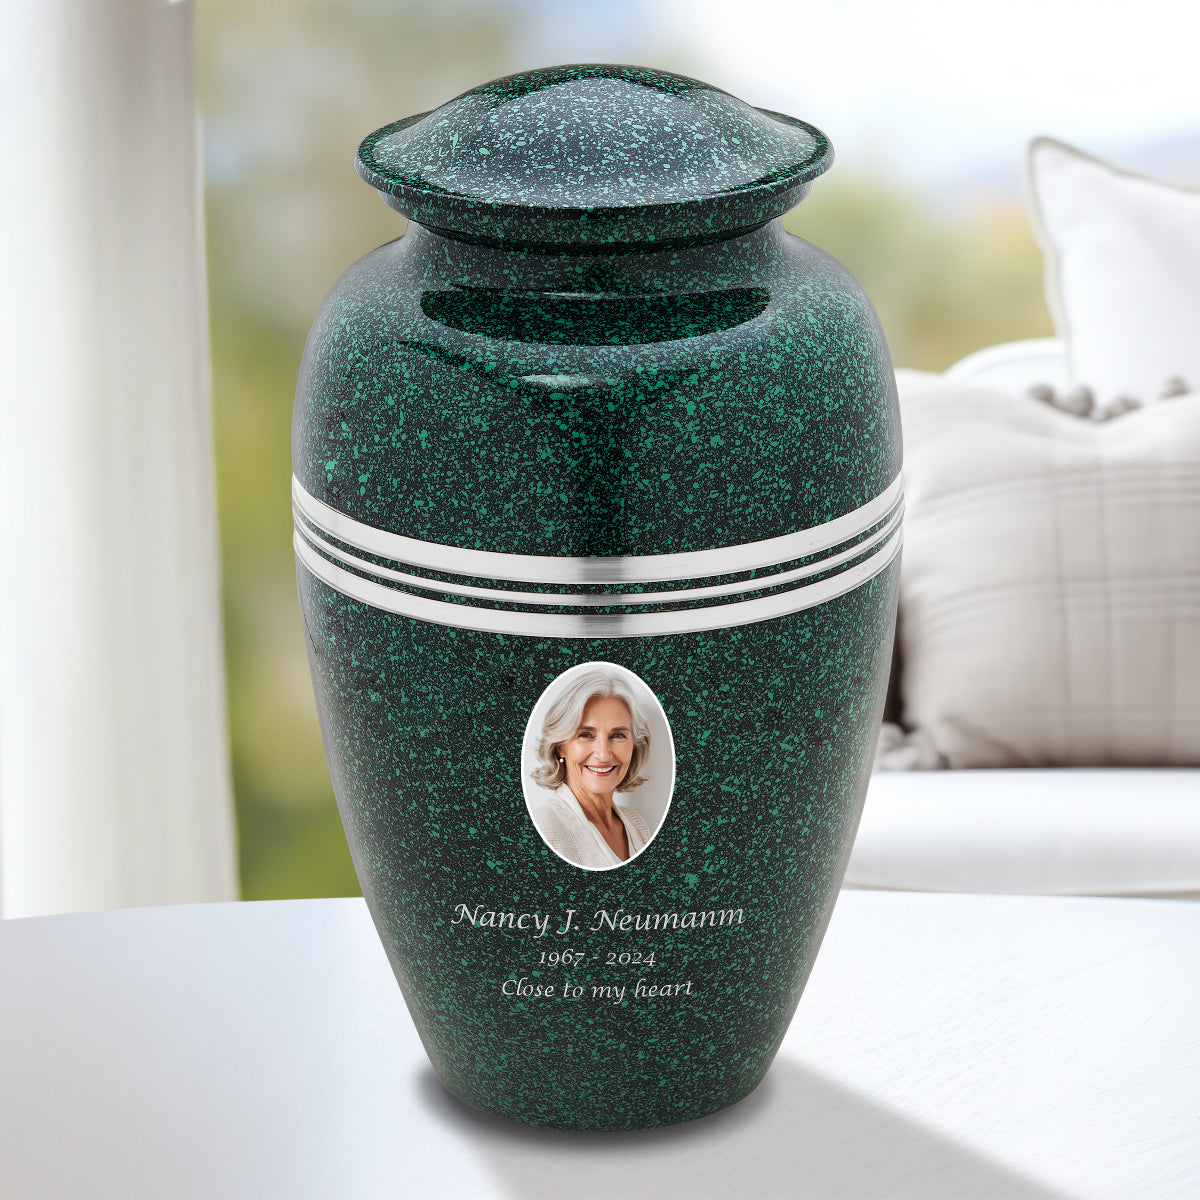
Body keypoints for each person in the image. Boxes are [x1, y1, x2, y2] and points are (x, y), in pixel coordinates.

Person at [529, 669, 654, 869]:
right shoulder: (544, 829)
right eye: (585, 735)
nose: (603, 754)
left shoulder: (638, 825)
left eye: (618, 735)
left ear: (634, 746)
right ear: (561, 747)